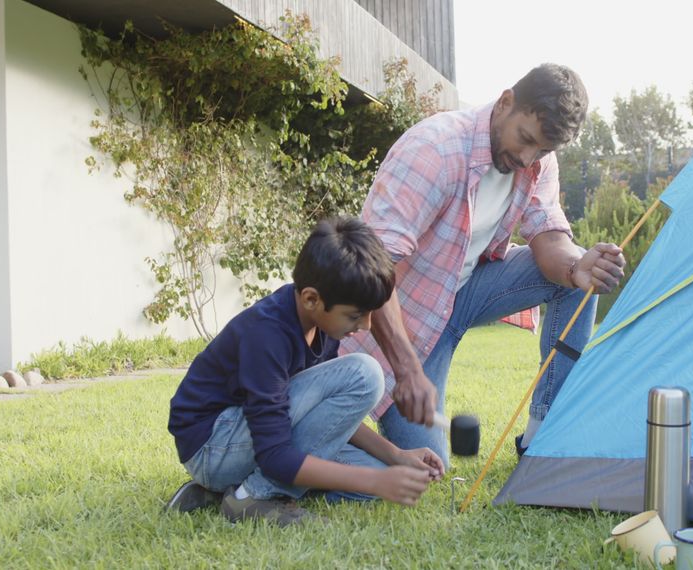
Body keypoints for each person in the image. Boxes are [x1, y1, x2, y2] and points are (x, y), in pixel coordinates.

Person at [340, 63, 627, 463]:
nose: (528, 158)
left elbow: (548, 236)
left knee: (578, 277)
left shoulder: (537, 161)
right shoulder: (433, 151)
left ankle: (543, 440)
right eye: (524, 139)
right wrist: (407, 371)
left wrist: (576, 268)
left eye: (542, 150)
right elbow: (374, 270)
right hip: (404, 317)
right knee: (426, 459)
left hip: (464, 294)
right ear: (506, 102)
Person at [166, 217, 444, 526]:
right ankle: (252, 497)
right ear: (312, 299)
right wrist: (371, 481)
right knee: (364, 374)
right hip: (213, 447)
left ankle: (229, 492)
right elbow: (274, 454)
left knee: (382, 475)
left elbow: (329, 417)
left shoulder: (322, 325)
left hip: (254, 437)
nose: (365, 326)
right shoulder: (267, 335)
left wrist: (396, 456)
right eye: (355, 315)